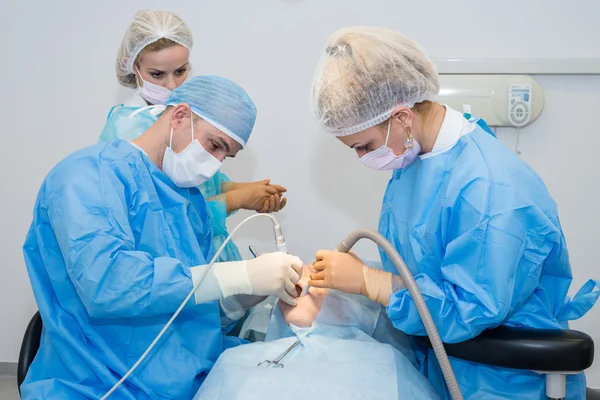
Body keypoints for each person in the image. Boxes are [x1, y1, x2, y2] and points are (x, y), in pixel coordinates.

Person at [307, 27, 600, 399]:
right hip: (443, 368)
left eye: (363, 146)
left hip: (504, 382)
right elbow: (422, 270)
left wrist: (369, 281)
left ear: (401, 118)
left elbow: (470, 309)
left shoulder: (490, 189)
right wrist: (351, 282)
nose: (363, 159)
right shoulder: (418, 163)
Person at [21, 75, 303, 399]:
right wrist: (234, 275)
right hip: (96, 382)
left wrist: (242, 296)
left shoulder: (189, 204)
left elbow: (189, 308)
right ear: (180, 116)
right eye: (214, 145)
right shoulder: (85, 177)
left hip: (184, 379)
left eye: (227, 155)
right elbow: (108, 285)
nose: (215, 165)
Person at [100, 9, 286, 263]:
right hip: (175, 265)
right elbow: (168, 220)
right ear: (133, 66)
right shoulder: (129, 132)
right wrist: (237, 199)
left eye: (180, 71)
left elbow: (205, 183)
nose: (172, 85)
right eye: (157, 74)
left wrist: (248, 190)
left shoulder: (186, 114)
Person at [193, 263, 440, 400]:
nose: (301, 278)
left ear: (354, 305)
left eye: (319, 277)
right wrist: (233, 302)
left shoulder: (389, 364)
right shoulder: (234, 358)